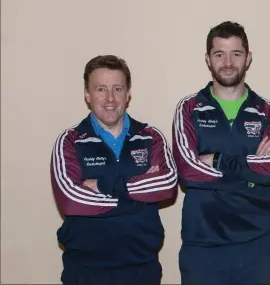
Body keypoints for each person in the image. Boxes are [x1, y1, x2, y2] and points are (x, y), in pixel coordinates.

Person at [172, 21, 270, 285]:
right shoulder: (189, 109)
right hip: (203, 247)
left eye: (236, 53)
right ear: (207, 59)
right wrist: (249, 172)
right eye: (219, 54)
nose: (228, 62)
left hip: (258, 244)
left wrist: (216, 160)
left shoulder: (268, 111)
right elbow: (188, 173)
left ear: (248, 58)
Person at [50, 55, 178, 285]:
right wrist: (139, 193)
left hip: (142, 270)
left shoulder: (151, 137)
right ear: (87, 95)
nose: (110, 98)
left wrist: (100, 185)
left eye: (117, 88)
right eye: (101, 89)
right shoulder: (69, 140)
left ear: (128, 93)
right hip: (85, 272)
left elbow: (167, 186)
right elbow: (72, 200)